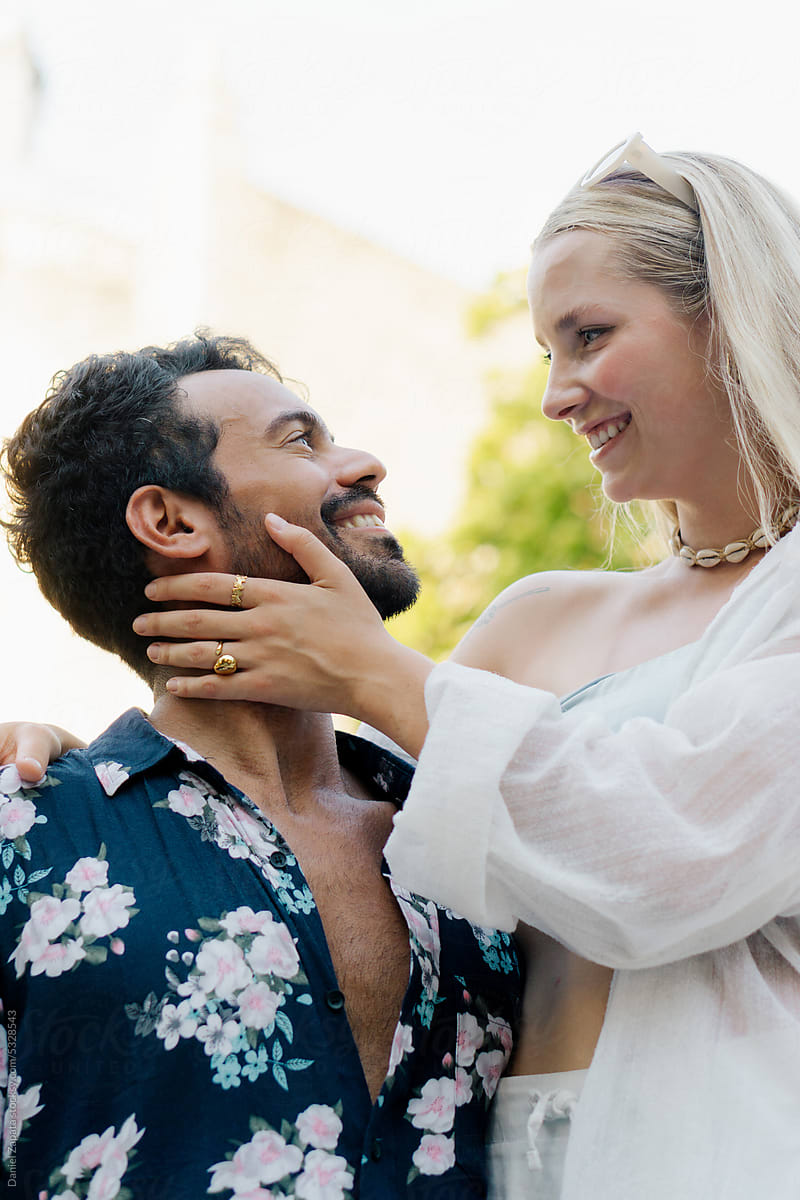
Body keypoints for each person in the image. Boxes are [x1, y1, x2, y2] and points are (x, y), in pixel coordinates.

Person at [9, 132, 800, 1198]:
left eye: (589, 335)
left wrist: (374, 668)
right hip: (512, 1159)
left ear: (730, 314)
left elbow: (658, 850)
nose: (556, 394)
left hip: (714, 1142)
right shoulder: (536, 620)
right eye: (546, 351)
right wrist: (61, 760)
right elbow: (270, 777)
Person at [0, 334, 522, 1198]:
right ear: (170, 522)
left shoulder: (475, 816)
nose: (365, 463)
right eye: (300, 440)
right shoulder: (26, 835)